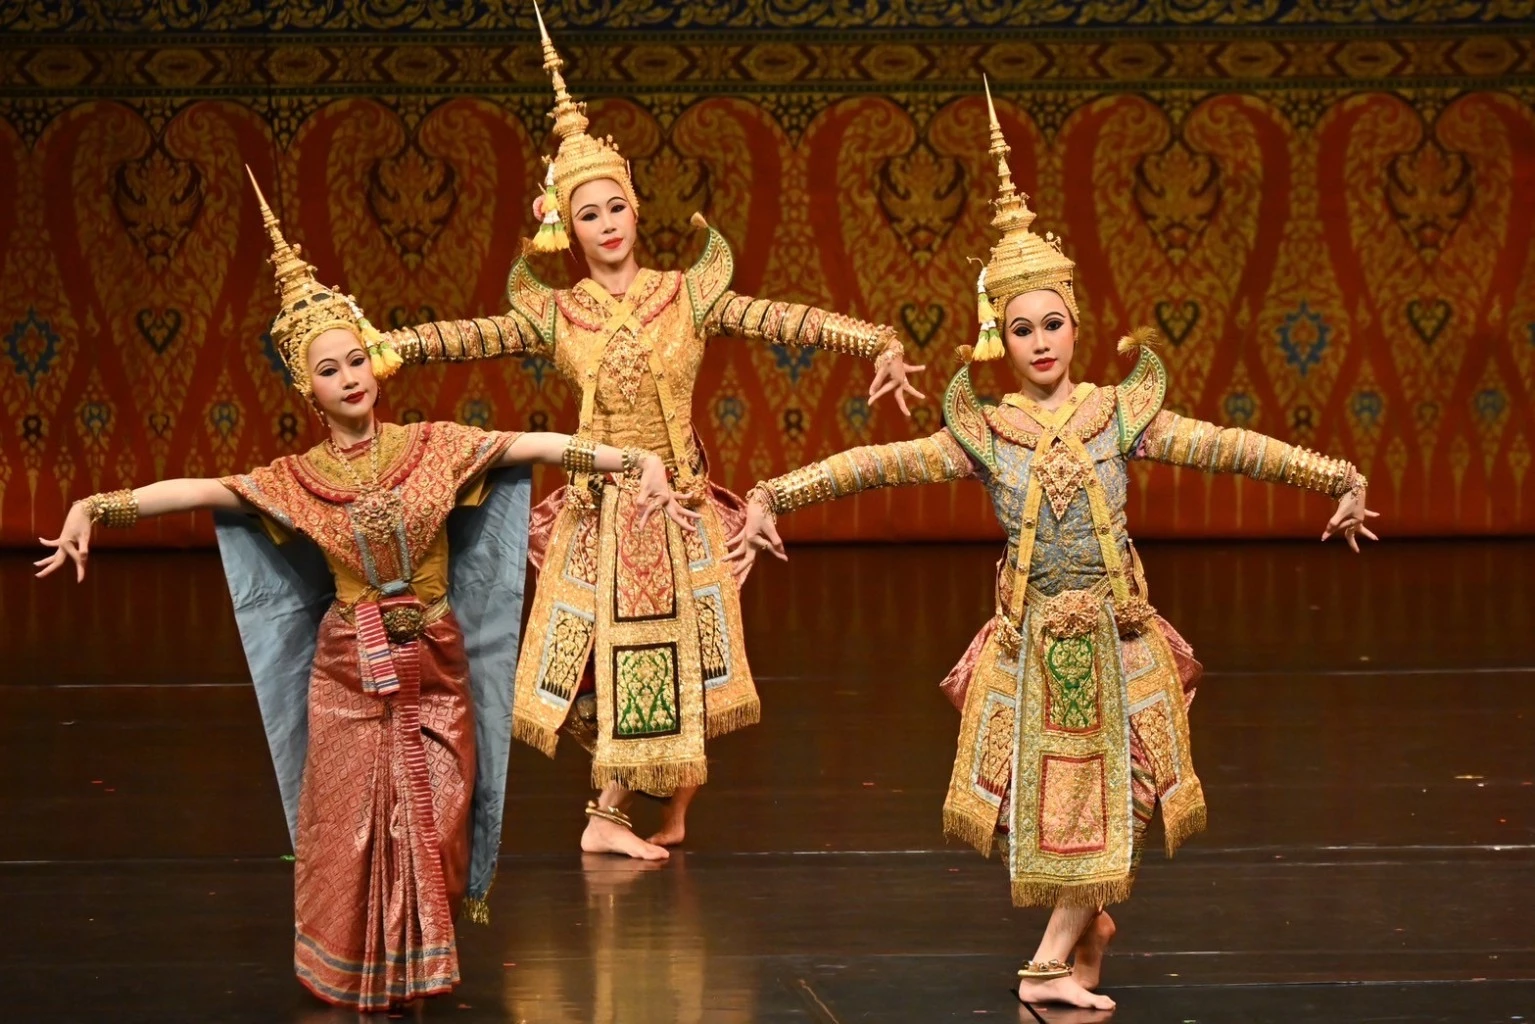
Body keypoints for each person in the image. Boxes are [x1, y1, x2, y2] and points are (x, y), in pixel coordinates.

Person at [726, 82, 1379, 1012]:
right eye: (1021, 328)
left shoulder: (1118, 414)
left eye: (1052, 323)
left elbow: (1228, 447)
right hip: (1036, 646)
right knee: (1042, 805)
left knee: (1134, 788)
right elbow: (877, 465)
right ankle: (1073, 940)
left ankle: (1056, 954)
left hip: (1120, 638)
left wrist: (1334, 475)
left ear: (1077, 323)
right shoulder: (986, 430)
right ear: (998, 335)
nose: (1039, 342)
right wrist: (774, 494)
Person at [34, 172, 690, 1013]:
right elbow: (201, 489)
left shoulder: (433, 447)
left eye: (354, 361)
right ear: (303, 387)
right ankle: (362, 974)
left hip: (435, 662)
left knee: (437, 820)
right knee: (350, 832)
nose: (348, 378)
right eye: (328, 370)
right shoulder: (297, 478)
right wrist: (97, 506)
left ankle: (416, 961)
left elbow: (531, 442)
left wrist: (629, 459)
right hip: (350, 672)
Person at [375, 3, 928, 860]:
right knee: (622, 657)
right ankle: (603, 816)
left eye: (615, 207)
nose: (606, 223)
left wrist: (875, 342)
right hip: (609, 511)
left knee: (687, 658)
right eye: (587, 214)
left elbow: (780, 318)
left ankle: (663, 808)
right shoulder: (558, 312)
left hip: (682, 506)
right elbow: (471, 336)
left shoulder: (686, 293)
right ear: (567, 228)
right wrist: (389, 348)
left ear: (635, 210)